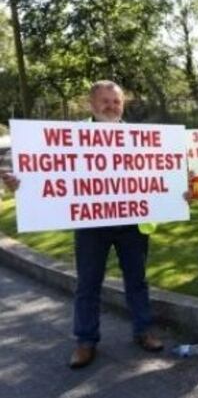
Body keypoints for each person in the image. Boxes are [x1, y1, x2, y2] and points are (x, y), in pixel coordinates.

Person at [2, 81, 164, 369]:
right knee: (88, 283)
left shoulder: (139, 137)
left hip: (131, 221)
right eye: (105, 101)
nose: (111, 107)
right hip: (91, 223)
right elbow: (44, 169)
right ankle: (85, 341)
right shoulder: (71, 137)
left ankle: (144, 331)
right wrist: (19, 182)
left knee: (137, 281)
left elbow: (163, 172)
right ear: (91, 104)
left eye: (116, 102)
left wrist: (180, 188)